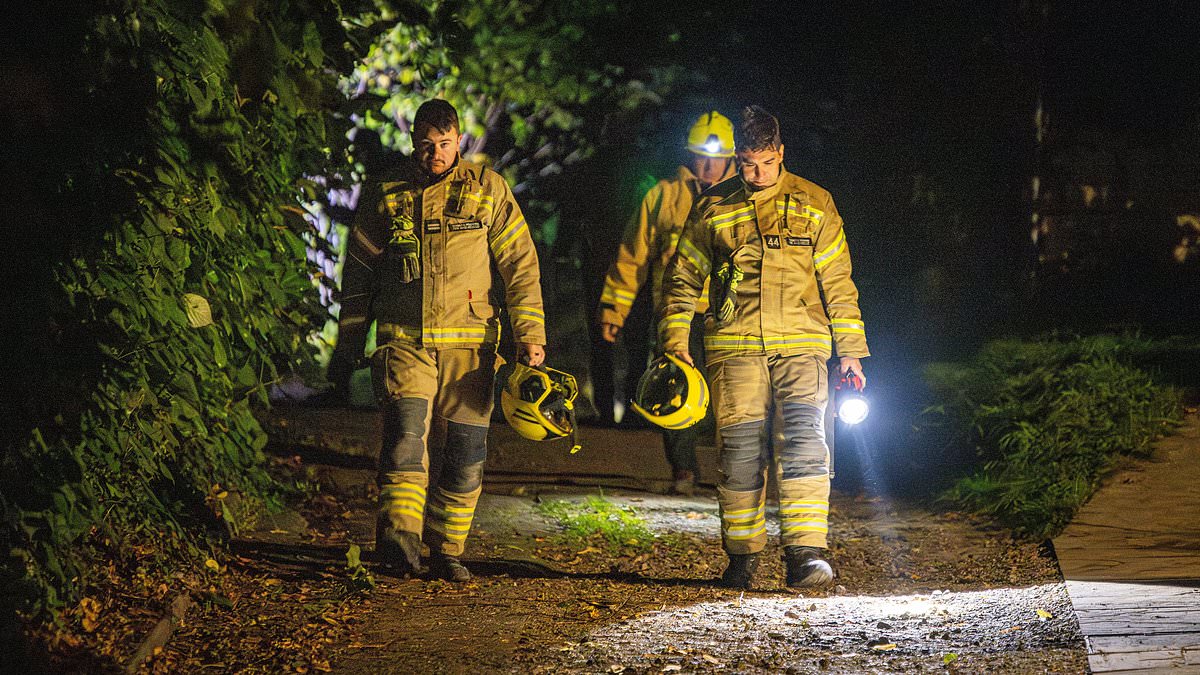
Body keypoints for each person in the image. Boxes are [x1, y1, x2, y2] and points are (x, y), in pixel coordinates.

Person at [328, 99, 547, 582]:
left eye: (445, 144)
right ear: (414, 143)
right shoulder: (386, 192)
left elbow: (520, 265)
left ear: (459, 141)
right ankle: (399, 543)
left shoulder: (487, 190)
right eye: (427, 145)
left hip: (471, 349)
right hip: (404, 343)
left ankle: (447, 549)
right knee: (404, 441)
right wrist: (349, 344)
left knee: (464, 457)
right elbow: (358, 273)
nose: (436, 154)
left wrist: (530, 336)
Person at [659, 105, 869, 589]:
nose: (757, 174)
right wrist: (674, 342)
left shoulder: (815, 202)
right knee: (738, 452)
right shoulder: (713, 206)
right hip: (734, 348)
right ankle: (741, 558)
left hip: (803, 345)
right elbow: (682, 279)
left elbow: (839, 282)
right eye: (747, 164)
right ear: (739, 158)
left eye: (766, 163)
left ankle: (806, 555)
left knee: (805, 445)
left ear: (781, 153)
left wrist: (851, 351)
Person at [597, 111, 736, 494]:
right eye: (701, 156)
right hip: (677, 314)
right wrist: (614, 310)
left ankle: (733, 472)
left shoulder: (743, 198)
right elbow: (633, 256)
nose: (708, 166)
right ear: (690, 154)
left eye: (716, 158)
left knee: (732, 396)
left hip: (730, 315)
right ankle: (684, 470)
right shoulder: (663, 196)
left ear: (731, 158)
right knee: (678, 389)